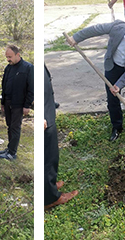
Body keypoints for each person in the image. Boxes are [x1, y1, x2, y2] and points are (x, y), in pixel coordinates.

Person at [65, 19, 125, 142]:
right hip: (114, 65)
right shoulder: (117, 28)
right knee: (112, 98)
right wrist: (76, 37)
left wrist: (119, 85)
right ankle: (117, 127)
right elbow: (95, 29)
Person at [43, 65, 78, 211]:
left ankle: (48, 186)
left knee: (51, 154)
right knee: (47, 157)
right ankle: (50, 198)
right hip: (44, 118)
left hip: (47, 110)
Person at [0, 45, 32, 161]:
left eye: (10, 57)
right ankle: (9, 148)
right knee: (9, 126)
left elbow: (31, 88)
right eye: (7, 57)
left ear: (17, 55)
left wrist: (27, 105)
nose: (8, 59)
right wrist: (2, 102)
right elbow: (4, 85)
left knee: (15, 127)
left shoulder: (28, 68)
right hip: (7, 102)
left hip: (19, 104)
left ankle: (12, 153)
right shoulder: (8, 68)